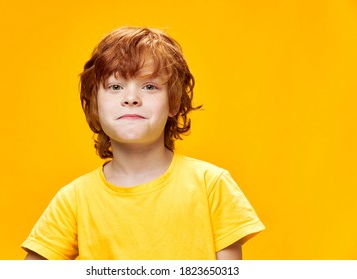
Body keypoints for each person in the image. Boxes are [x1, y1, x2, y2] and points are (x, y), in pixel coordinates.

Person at [22, 26, 265, 260]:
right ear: (94, 105)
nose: (130, 99)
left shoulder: (211, 185)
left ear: (174, 103)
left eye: (149, 86)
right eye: (115, 86)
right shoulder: (74, 199)